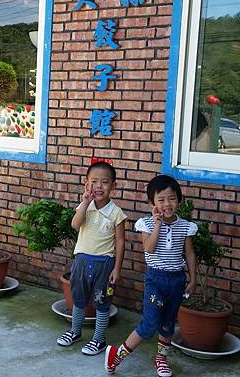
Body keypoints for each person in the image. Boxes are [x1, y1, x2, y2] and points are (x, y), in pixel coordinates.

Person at [104, 175, 197, 377]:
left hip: (177, 280)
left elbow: (189, 254)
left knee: (168, 323)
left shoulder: (185, 226)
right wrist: (157, 224)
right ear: (152, 203)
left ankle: (161, 359)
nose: (167, 204)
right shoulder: (146, 223)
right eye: (161, 200)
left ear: (179, 200)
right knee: (149, 325)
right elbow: (149, 247)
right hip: (156, 280)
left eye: (172, 198)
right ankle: (116, 355)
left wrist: (193, 279)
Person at [56, 160, 127, 356]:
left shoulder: (116, 213)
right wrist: (85, 202)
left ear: (114, 186)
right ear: (86, 183)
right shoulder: (84, 206)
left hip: (104, 264)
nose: (99, 186)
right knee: (78, 299)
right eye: (94, 182)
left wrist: (117, 268)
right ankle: (75, 332)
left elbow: (120, 242)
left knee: (102, 302)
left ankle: (99, 339)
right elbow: (75, 225)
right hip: (81, 261)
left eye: (104, 182)